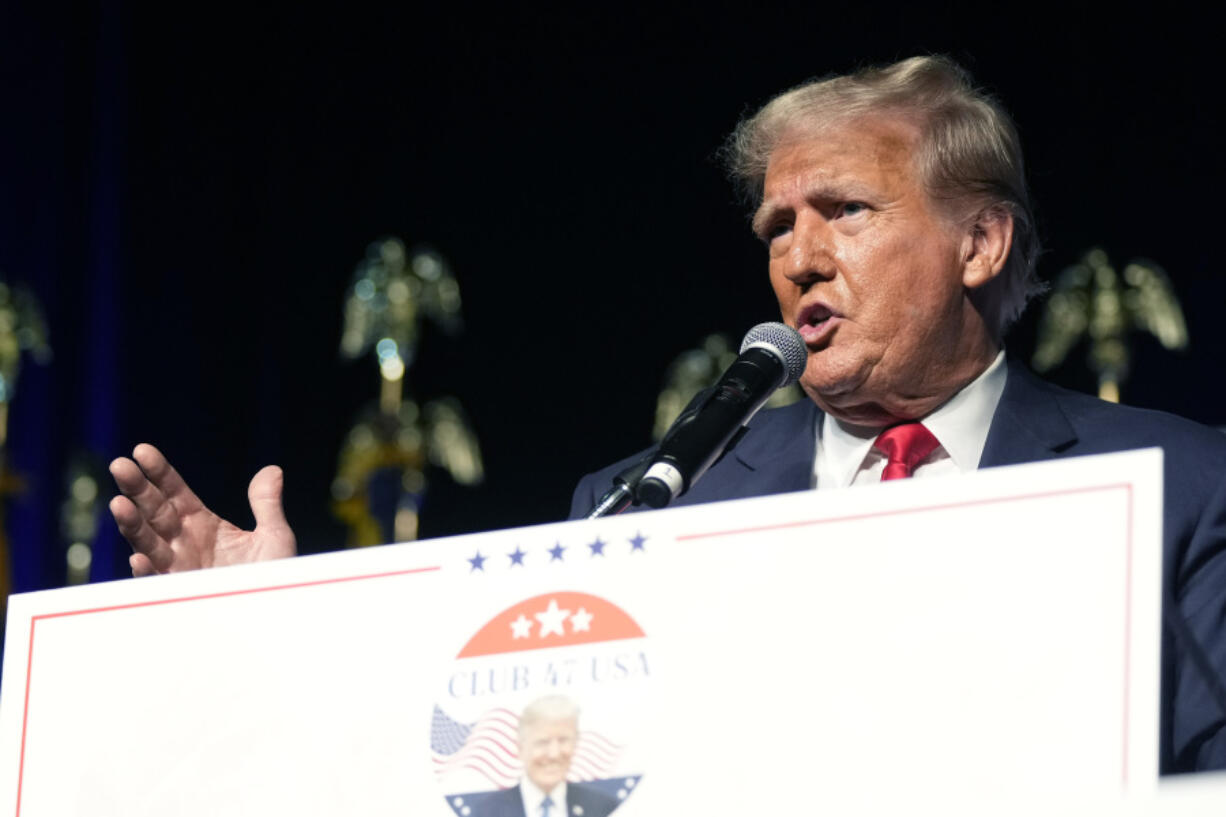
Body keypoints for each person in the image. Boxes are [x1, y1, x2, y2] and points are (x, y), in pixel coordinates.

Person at [109, 56, 1226, 775]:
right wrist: (255, 630)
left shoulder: (1176, 484)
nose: (797, 255)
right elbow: (501, 757)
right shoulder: (644, 501)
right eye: (775, 226)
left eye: (842, 209)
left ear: (978, 243)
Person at [468, 696, 618, 817]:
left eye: (563, 740)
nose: (554, 754)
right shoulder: (486, 813)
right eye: (542, 742)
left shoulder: (604, 808)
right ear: (520, 748)